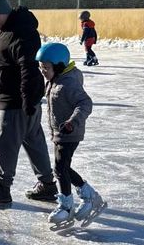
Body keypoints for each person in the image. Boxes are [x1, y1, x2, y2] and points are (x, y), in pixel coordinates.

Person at [0, 0, 58, 208]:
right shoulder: (8, 30)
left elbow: (28, 67)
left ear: (2, 12)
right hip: (20, 98)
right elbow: (5, 64)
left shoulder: (21, 31)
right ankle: (48, 184)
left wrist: (28, 98)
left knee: (6, 143)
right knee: (33, 142)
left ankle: (3, 188)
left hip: (18, 101)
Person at [36, 41, 106, 227]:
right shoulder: (55, 80)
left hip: (69, 132)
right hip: (60, 132)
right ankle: (89, 195)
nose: (42, 70)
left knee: (60, 167)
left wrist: (72, 122)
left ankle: (66, 206)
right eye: (41, 67)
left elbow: (85, 103)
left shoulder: (68, 84)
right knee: (63, 167)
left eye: (46, 67)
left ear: (59, 66)